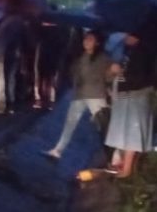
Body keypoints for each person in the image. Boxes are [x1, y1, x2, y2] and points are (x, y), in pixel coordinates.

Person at [45, 31, 112, 159]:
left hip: (96, 95)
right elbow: (75, 74)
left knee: (103, 126)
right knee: (70, 123)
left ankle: (114, 155)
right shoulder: (81, 56)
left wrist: (111, 74)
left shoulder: (104, 58)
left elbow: (109, 77)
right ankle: (58, 150)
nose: (86, 41)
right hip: (80, 94)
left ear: (97, 42)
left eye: (90, 39)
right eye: (86, 38)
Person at [105, 34, 157, 178]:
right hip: (126, 94)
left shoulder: (144, 51)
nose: (125, 37)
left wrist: (122, 73)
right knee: (124, 129)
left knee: (132, 131)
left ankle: (127, 168)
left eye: (128, 34)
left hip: (136, 95)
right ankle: (122, 163)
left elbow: (139, 76)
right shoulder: (128, 51)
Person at [0, 10, 27, 113]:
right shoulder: (20, 22)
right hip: (14, 53)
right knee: (10, 78)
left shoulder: (5, 22)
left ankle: (1, 105)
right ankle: (10, 103)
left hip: (1, 53)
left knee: (0, 79)